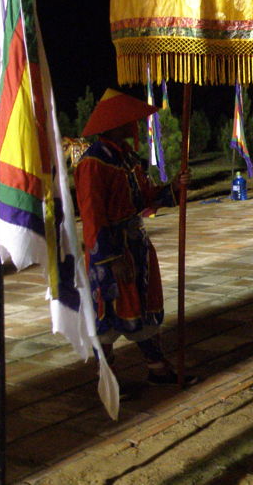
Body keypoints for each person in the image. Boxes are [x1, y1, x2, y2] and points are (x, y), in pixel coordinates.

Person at [75, 89, 196, 389]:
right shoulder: (93, 162)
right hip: (111, 252)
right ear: (114, 124)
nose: (134, 127)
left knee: (142, 308)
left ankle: (157, 367)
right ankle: (106, 379)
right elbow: (92, 214)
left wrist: (174, 189)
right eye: (128, 121)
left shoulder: (128, 159)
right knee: (109, 313)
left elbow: (145, 197)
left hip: (137, 247)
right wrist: (110, 258)